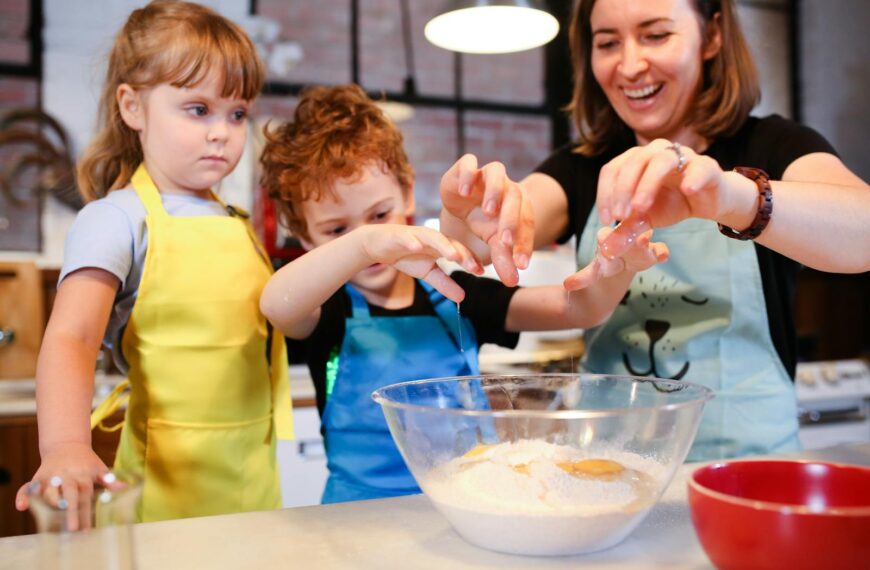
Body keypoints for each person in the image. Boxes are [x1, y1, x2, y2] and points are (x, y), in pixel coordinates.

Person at [438, 0, 870, 461]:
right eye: (607, 43)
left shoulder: (776, 145)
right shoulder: (579, 168)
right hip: (609, 470)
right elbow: (486, 241)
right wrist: (468, 216)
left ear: (714, 35)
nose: (629, 65)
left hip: (750, 472)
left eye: (656, 35)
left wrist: (731, 197)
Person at [258, 84, 669, 503]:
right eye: (336, 230)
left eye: (379, 216)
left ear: (407, 193)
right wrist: (363, 243)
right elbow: (277, 304)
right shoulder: (327, 309)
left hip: (466, 503)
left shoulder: (455, 295)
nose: (373, 238)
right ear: (305, 238)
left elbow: (579, 308)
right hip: (352, 516)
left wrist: (619, 271)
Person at [14, 0, 294, 524]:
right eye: (198, 109)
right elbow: (71, 337)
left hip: (254, 477)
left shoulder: (237, 221)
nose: (222, 132)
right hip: (162, 486)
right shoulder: (115, 219)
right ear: (133, 107)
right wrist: (65, 445)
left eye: (237, 113)